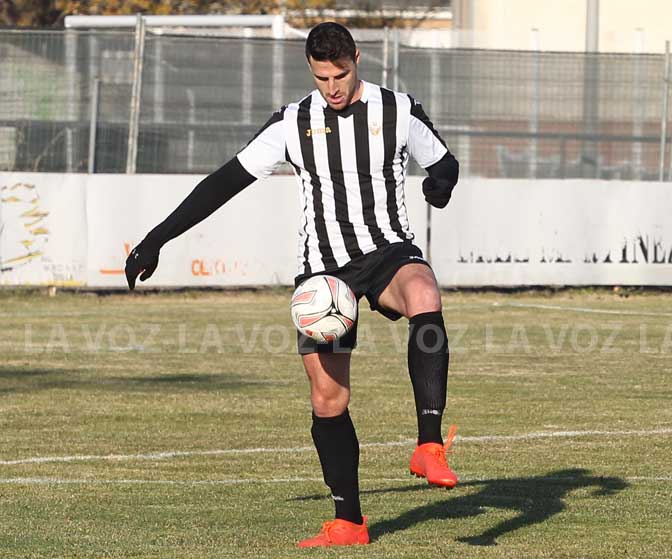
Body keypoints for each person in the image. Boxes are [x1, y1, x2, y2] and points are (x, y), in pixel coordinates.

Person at [125, 21, 460, 547]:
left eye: (340, 75)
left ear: (357, 58)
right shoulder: (291, 122)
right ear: (311, 69)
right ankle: (349, 522)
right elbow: (223, 182)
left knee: (423, 291)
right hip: (323, 271)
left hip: (387, 251)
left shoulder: (397, 109)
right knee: (328, 397)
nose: (332, 87)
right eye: (322, 77)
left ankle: (428, 445)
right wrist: (156, 238)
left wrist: (441, 185)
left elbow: (444, 163)